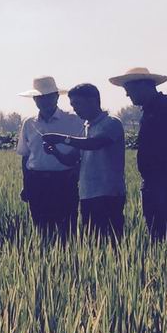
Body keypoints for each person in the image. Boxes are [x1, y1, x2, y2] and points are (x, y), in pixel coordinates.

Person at [109, 67, 167, 240]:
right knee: (156, 232)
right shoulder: (147, 111)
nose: (127, 95)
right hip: (151, 182)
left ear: (143, 86)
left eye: (129, 90)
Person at [43, 83, 126, 243]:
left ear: (93, 101)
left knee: (111, 242)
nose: (75, 109)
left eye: (77, 104)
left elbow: (95, 143)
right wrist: (54, 151)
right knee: (94, 243)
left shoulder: (111, 123)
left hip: (108, 193)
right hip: (87, 194)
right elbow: (71, 159)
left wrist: (63, 139)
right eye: (72, 105)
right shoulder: (86, 127)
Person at [16, 76, 84, 241]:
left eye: (48, 96)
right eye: (40, 97)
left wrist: (76, 176)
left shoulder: (74, 120)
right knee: (41, 231)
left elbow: (82, 153)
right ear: (34, 99)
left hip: (64, 182)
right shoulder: (29, 123)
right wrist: (26, 185)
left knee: (67, 231)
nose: (44, 101)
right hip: (37, 182)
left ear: (56, 96)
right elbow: (26, 156)